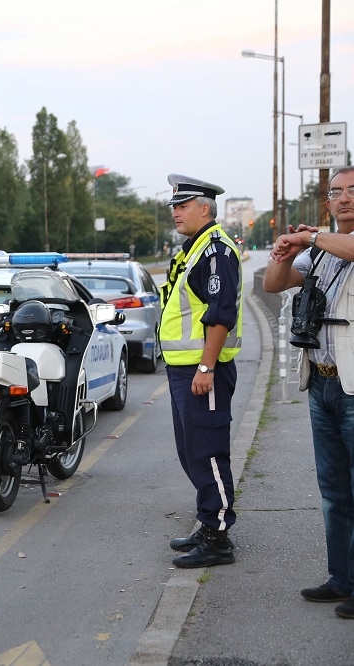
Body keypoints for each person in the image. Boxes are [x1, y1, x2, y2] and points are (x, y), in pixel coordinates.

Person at [264, 166, 354, 618]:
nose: (343, 199)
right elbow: (273, 284)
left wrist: (311, 237)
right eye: (335, 192)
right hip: (322, 381)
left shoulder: (333, 244)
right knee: (333, 490)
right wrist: (283, 250)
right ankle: (342, 579)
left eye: (352, 191)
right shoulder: (320, 253)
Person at [158, 174, 243, 568]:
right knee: (192, 451)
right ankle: (209, 521)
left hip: (201, 369)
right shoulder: (194, 250)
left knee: (207, 452)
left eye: (183, 205)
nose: (176, 212)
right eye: (174, 206)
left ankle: (218, 537)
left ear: (205, 208)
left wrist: (206, 365)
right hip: (184, 369)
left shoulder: (214, 251)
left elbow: (220, 315)